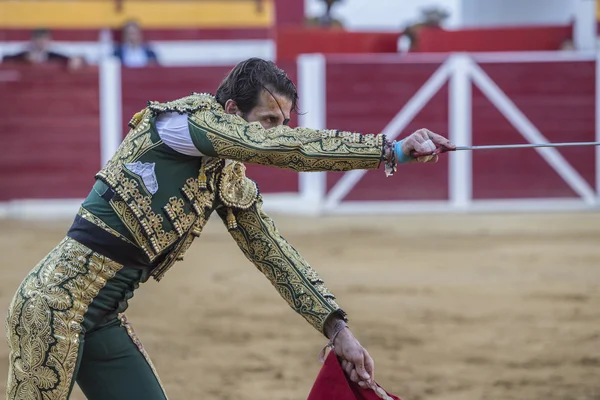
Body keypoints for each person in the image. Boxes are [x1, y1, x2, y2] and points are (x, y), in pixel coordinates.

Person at [5, 57, 453, 400]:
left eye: (283, 122)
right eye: (269, 120)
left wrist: (339, 331)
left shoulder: (225, 176)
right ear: (232, 111)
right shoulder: (184, 123)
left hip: (101, 319)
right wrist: (388, 150)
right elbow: (281, 148)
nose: (275, 132)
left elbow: (272, 251)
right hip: (53, 307)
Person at [2, 28, 84, 69]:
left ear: (49, 40)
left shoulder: (53, 55)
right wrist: (24, 59)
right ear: (33, 39)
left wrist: (76, 60)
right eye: (39, 38)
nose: (41, 41)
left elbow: (75, 60)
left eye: (44, 38)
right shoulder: (24, 55)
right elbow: (5, 59)